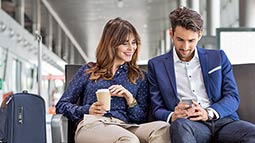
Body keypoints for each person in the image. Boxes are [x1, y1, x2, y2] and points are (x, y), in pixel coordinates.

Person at [147, 7, 255, 143]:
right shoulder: (156, 65)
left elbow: (232, 97)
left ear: (200, 35)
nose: (185, 47)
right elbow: (157, 108)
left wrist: (208, 112)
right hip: (190, 125)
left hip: (224, 122)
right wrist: (173, 115)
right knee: (179, 126)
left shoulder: (218, 58)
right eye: (180, 39)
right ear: (171, 33)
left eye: (191, 41)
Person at [56, 17, 170, 143]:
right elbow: (61, 106)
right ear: (112, 44)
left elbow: (140, 118)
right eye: (125, 43)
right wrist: (87, 109)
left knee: (162, 128)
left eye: (134, 42)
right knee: (129, 140)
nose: (131, 48)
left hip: (124, 126)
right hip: (93, 124)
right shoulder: (89, 71)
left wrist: (129, 98)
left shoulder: (139, 76)